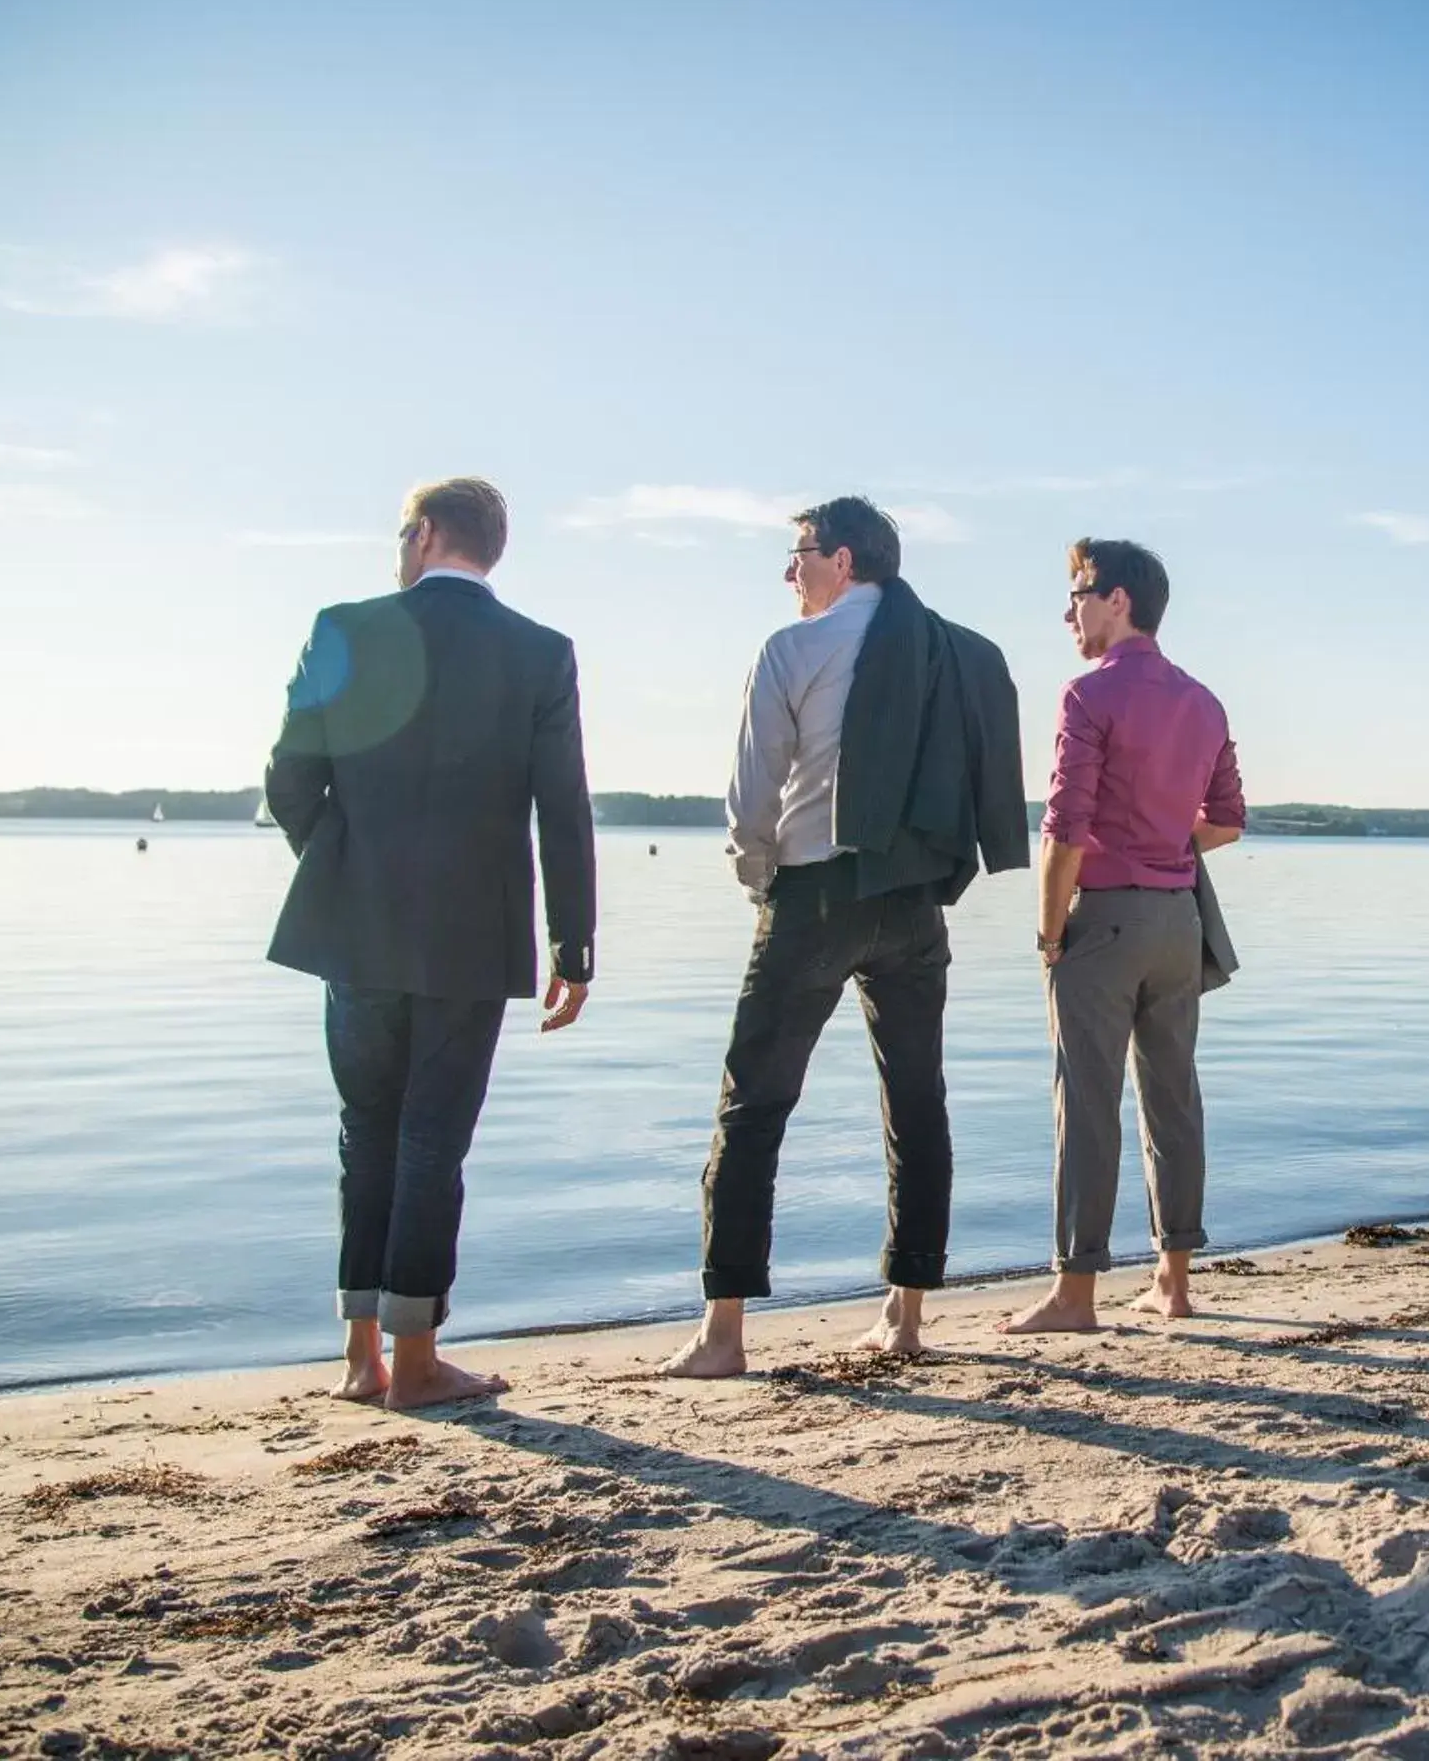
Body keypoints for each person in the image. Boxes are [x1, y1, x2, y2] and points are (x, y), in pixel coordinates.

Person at [667, 496, 1026, 1376]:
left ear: (846, 559)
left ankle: (723, 1334)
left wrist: (757, 878)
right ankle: (903, 1315)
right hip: (911, 901)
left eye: (800, 554)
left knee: (753, 1104)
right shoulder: (957, 650)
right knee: (916, 1100)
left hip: (816, 892)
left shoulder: (794, 648)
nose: (790, 572)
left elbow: (754, 794)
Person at [264, 477, 595, 1409]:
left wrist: (341, 860)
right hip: (472, 931)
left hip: (356, 924)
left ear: (425, 533)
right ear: (491, 549)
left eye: (400, 531)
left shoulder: (344, 628)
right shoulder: (539, 652)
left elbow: (290, 776)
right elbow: (562, 811)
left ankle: (362, 1358)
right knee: (431, 1142)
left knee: (363, 1132)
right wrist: (573, 947)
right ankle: (417, 1364)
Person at [1001, 538, 1244, 1335]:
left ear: (1119, 601)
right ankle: (1173, 1282)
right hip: (1178, 920)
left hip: (1103, 919)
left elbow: (1063, 830)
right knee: (1172, 1098)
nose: (1067, 609)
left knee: (1089, 1101)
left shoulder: (1087, 696)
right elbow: (1228, 822)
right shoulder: (1203, 701)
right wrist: (1165, 839)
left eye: (1077, 592)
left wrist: (1046, 934)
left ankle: (1076, 1296)